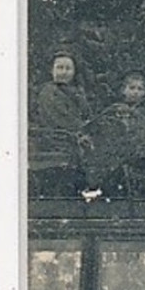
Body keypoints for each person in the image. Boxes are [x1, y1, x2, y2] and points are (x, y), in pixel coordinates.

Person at [86, 69, 145, 196]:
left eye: (140, 89)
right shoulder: (114, 111)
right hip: (120, 163)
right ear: (123, 90)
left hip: (144, 161)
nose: (135, 92)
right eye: (132, 88)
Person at [29, 49, 91, 196]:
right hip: (55, 138)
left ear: (74, 72)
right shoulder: (49, 92)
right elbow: (60, 119)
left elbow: (86, 115)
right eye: (59, 67)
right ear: (52, 70)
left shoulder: (76, 92)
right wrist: (82, 132)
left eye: (68, 68)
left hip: (74, 136)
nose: (64, 72)